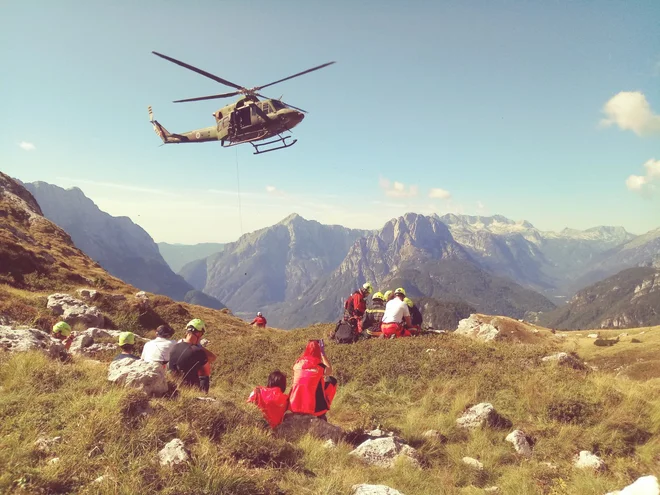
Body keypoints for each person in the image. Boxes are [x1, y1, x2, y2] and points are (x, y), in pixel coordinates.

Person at [288, 339, 337, 420]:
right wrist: (323, 353)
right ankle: (324, 406)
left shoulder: (297, 364)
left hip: (294, 406)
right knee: (332, 381)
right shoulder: (319, 366)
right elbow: (329, 371)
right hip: (315, 410)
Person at [168, 319, 217, 392]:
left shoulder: (175, 346)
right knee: (204, 371)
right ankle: (203, 394)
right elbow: (212, 358)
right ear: (199, 334)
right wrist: (199, 346)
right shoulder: (197, 350)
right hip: (189, 389)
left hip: (173, 385)